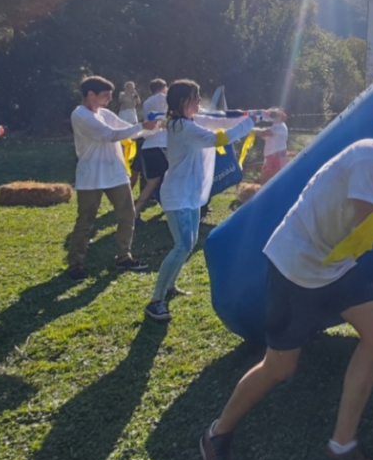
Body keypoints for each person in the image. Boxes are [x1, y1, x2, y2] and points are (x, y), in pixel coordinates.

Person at [200, 91, 373, 460]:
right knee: (278, 369)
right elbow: (367, 224)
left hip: (335, 264)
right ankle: (216, 433)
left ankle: (341, 448)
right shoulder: (366, 161)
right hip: (296, 268)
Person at [145, 80, 254, 323]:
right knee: (181, 246)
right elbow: (221, 138)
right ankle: (155, 301)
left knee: (189, 242)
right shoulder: (181, 126)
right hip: (178, 195)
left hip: (191, 194)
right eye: (193, 98)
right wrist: (251, 122)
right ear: (182, 101)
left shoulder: (193, 121)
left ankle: (170, 286)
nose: (197, 102)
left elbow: (220, 121)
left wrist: (257, 114)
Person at [67, 76, 158, 280]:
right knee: (85, 221)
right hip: (91, 176)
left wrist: (158, 126)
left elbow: (128, 131)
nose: (110, 99)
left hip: (115, 173)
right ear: (91, 95)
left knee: (127, 215)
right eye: (105, 96)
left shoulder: (105, 113)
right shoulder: (80, 114)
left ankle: (123, 256)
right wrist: (143, 125)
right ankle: (75, 264)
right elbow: (108, 134)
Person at [133, 79, 169, 220]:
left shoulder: (147, 102)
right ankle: (135, 212)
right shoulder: (164, 98)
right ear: (163, 88)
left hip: (148, 145)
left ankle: (136, 211)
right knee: (166, 178)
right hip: (161, 144)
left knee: (152, 182)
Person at [255, 108, 290, 184]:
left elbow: (265, 133)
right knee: (269, 178)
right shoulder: (276, 126)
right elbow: (266, 136)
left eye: (275, 115)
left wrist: (252, 130)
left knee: (271, 179)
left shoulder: (279, 127)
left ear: (280, 117)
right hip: (272, 156)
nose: (272, 116)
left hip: (275, 158)